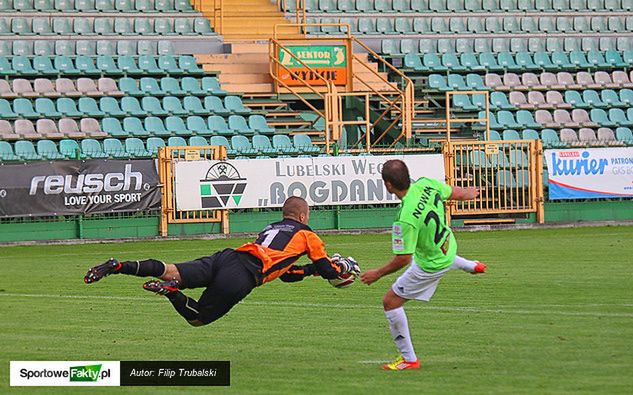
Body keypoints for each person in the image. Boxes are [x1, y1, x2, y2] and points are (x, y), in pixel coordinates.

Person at [84, 196, 360, 327]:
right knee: (198, 318)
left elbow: (286, 272)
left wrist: (310, 270)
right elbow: (326, 269)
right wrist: (341, 268)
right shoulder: (307, 234)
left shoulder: (269, 228)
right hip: (243, 275)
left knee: (170, 270)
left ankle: (118, 266)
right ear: (302, 217)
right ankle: (170, 293)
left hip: (227, 257)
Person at [361, 159, 486, 371]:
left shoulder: (405, 218)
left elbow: (403, 259)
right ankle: (471, 266)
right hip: (447, 245)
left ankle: (408, 359)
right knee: (437, 254)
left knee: (390, 302)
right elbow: (454, 192)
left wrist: (377, 274)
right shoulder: (427, 183)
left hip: (431, 264)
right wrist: (468, 192)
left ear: (388, 185)